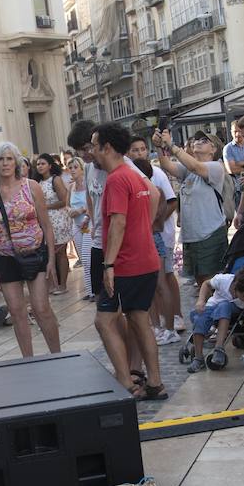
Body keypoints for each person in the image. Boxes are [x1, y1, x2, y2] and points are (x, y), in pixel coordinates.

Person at [94, 122, 166, 400]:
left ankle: (125, 382)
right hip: (146, 259)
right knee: (139, 320)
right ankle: (156, 383)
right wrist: (144, 230)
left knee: (104, 322)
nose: (93, 152)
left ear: (107, 147)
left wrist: (109, 265)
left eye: (95, 146)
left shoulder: (115, 179)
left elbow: (118, 222)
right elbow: (155, 197)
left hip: (126, 263)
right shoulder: (135, 175)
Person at [0, 141, 61, 357]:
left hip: (35, 253)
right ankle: (28, 360)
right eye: (0, 159)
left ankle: (58, 355)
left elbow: (46, 225)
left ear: (16, 162)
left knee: (41, 308)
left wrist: (51, 259)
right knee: (16, 311)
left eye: (9, 158)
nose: (5, 163)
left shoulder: (31, 186)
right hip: (5, 258)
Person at [156, 132, 229, 287]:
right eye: (196, 139)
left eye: (204, 140)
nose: (198, 142)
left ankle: (212, 310)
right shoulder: (188, 170)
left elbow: (196, 166)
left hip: (209, 234)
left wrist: (171, 146)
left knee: (211, 282)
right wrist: (159, 146)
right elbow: (166, 165)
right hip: (192, 236)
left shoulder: (216, 167)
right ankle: (205, 308)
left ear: (213, 149)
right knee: (199, 280)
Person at [128, 137, 181, 344]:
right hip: (145, 240)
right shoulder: (141, 191)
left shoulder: (154, 192)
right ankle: (157, 327)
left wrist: (148, 225)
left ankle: (169, 328)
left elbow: (158, 220)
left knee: (161, 284)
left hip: (153, 240)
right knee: (149, 287)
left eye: (142, 149)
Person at [187, 267, 244, 375]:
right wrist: (201, 300)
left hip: (231, 311)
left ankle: (219, 348)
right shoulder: (223, 280)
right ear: (235, 287)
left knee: (224, 306)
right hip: (213, 306)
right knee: (200, 319)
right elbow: (206, 284)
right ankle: (198, 358)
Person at [33, 153, 73, 295]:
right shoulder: (36, 182)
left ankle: (62, 284)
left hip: (57, 218)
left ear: (50, 165)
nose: (40, 166)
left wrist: (46, 207)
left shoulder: (55, 180)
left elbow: (64, 200)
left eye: (43, 163)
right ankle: (52, 284)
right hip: (43, 220)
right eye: (38, 164)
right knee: (47, 253)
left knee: (59, 252)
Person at [66, 156, 93, 299]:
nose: (72, 170)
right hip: (76, 224)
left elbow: (92, 203)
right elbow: (66, 204)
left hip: (88, 223)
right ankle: (89, 291)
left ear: (82, 169)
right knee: (83, 258)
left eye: (75, 167)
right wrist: (70, 210)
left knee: (88, 257)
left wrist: (82, 211)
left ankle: (94, 290)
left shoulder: (88, 183)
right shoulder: (71, 187)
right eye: (70, 168)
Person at [222, 118, 244, 209]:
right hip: (238, 190)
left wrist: (239, 163)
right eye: (235, 131)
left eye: (239, 131)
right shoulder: (228, 148)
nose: (237, 134)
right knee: (242, 218)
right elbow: (231, 169)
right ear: (231, 132)